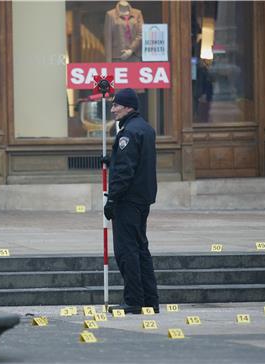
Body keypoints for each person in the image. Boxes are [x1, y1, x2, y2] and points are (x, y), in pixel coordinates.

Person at [104, 88, 159, 314]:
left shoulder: (127, 133)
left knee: (127, 251)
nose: (113, 109)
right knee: (141, 249)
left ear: (128, 107)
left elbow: (124, 172)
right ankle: (150, 300)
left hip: (128, 200)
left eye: (117, 105)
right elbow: (135, 161)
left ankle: (133, 300)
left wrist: (112, 199)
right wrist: (112, 158)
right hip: (142, 199)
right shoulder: (145, 128)